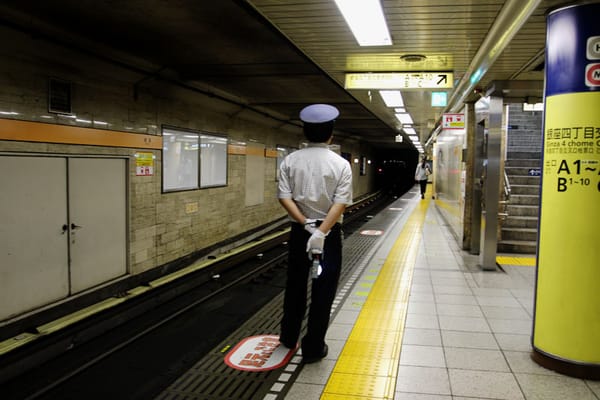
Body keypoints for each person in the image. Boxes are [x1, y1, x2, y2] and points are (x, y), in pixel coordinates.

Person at [277, 104, 353, 363]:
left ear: (305, 132)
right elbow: (340, 203)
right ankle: (313, 348)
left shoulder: (290, 160)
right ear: (331, 133)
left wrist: (306, 225)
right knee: (324, 289)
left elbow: (284, 198)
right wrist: (321, 231)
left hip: (300, 232)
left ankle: (288, 337)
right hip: (328, 236)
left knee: (295, 284)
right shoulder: (341, 164)